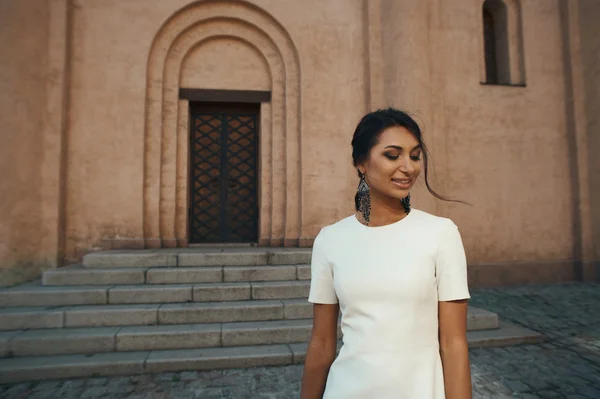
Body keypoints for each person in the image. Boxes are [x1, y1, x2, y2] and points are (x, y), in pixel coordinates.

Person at [300, 108, 472, 399]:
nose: (408, 167)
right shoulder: (331, 240)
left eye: (414, 156)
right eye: (393, 155)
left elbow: (453, 343)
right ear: (361, 163)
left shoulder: (441, 233)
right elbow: (322, 344)